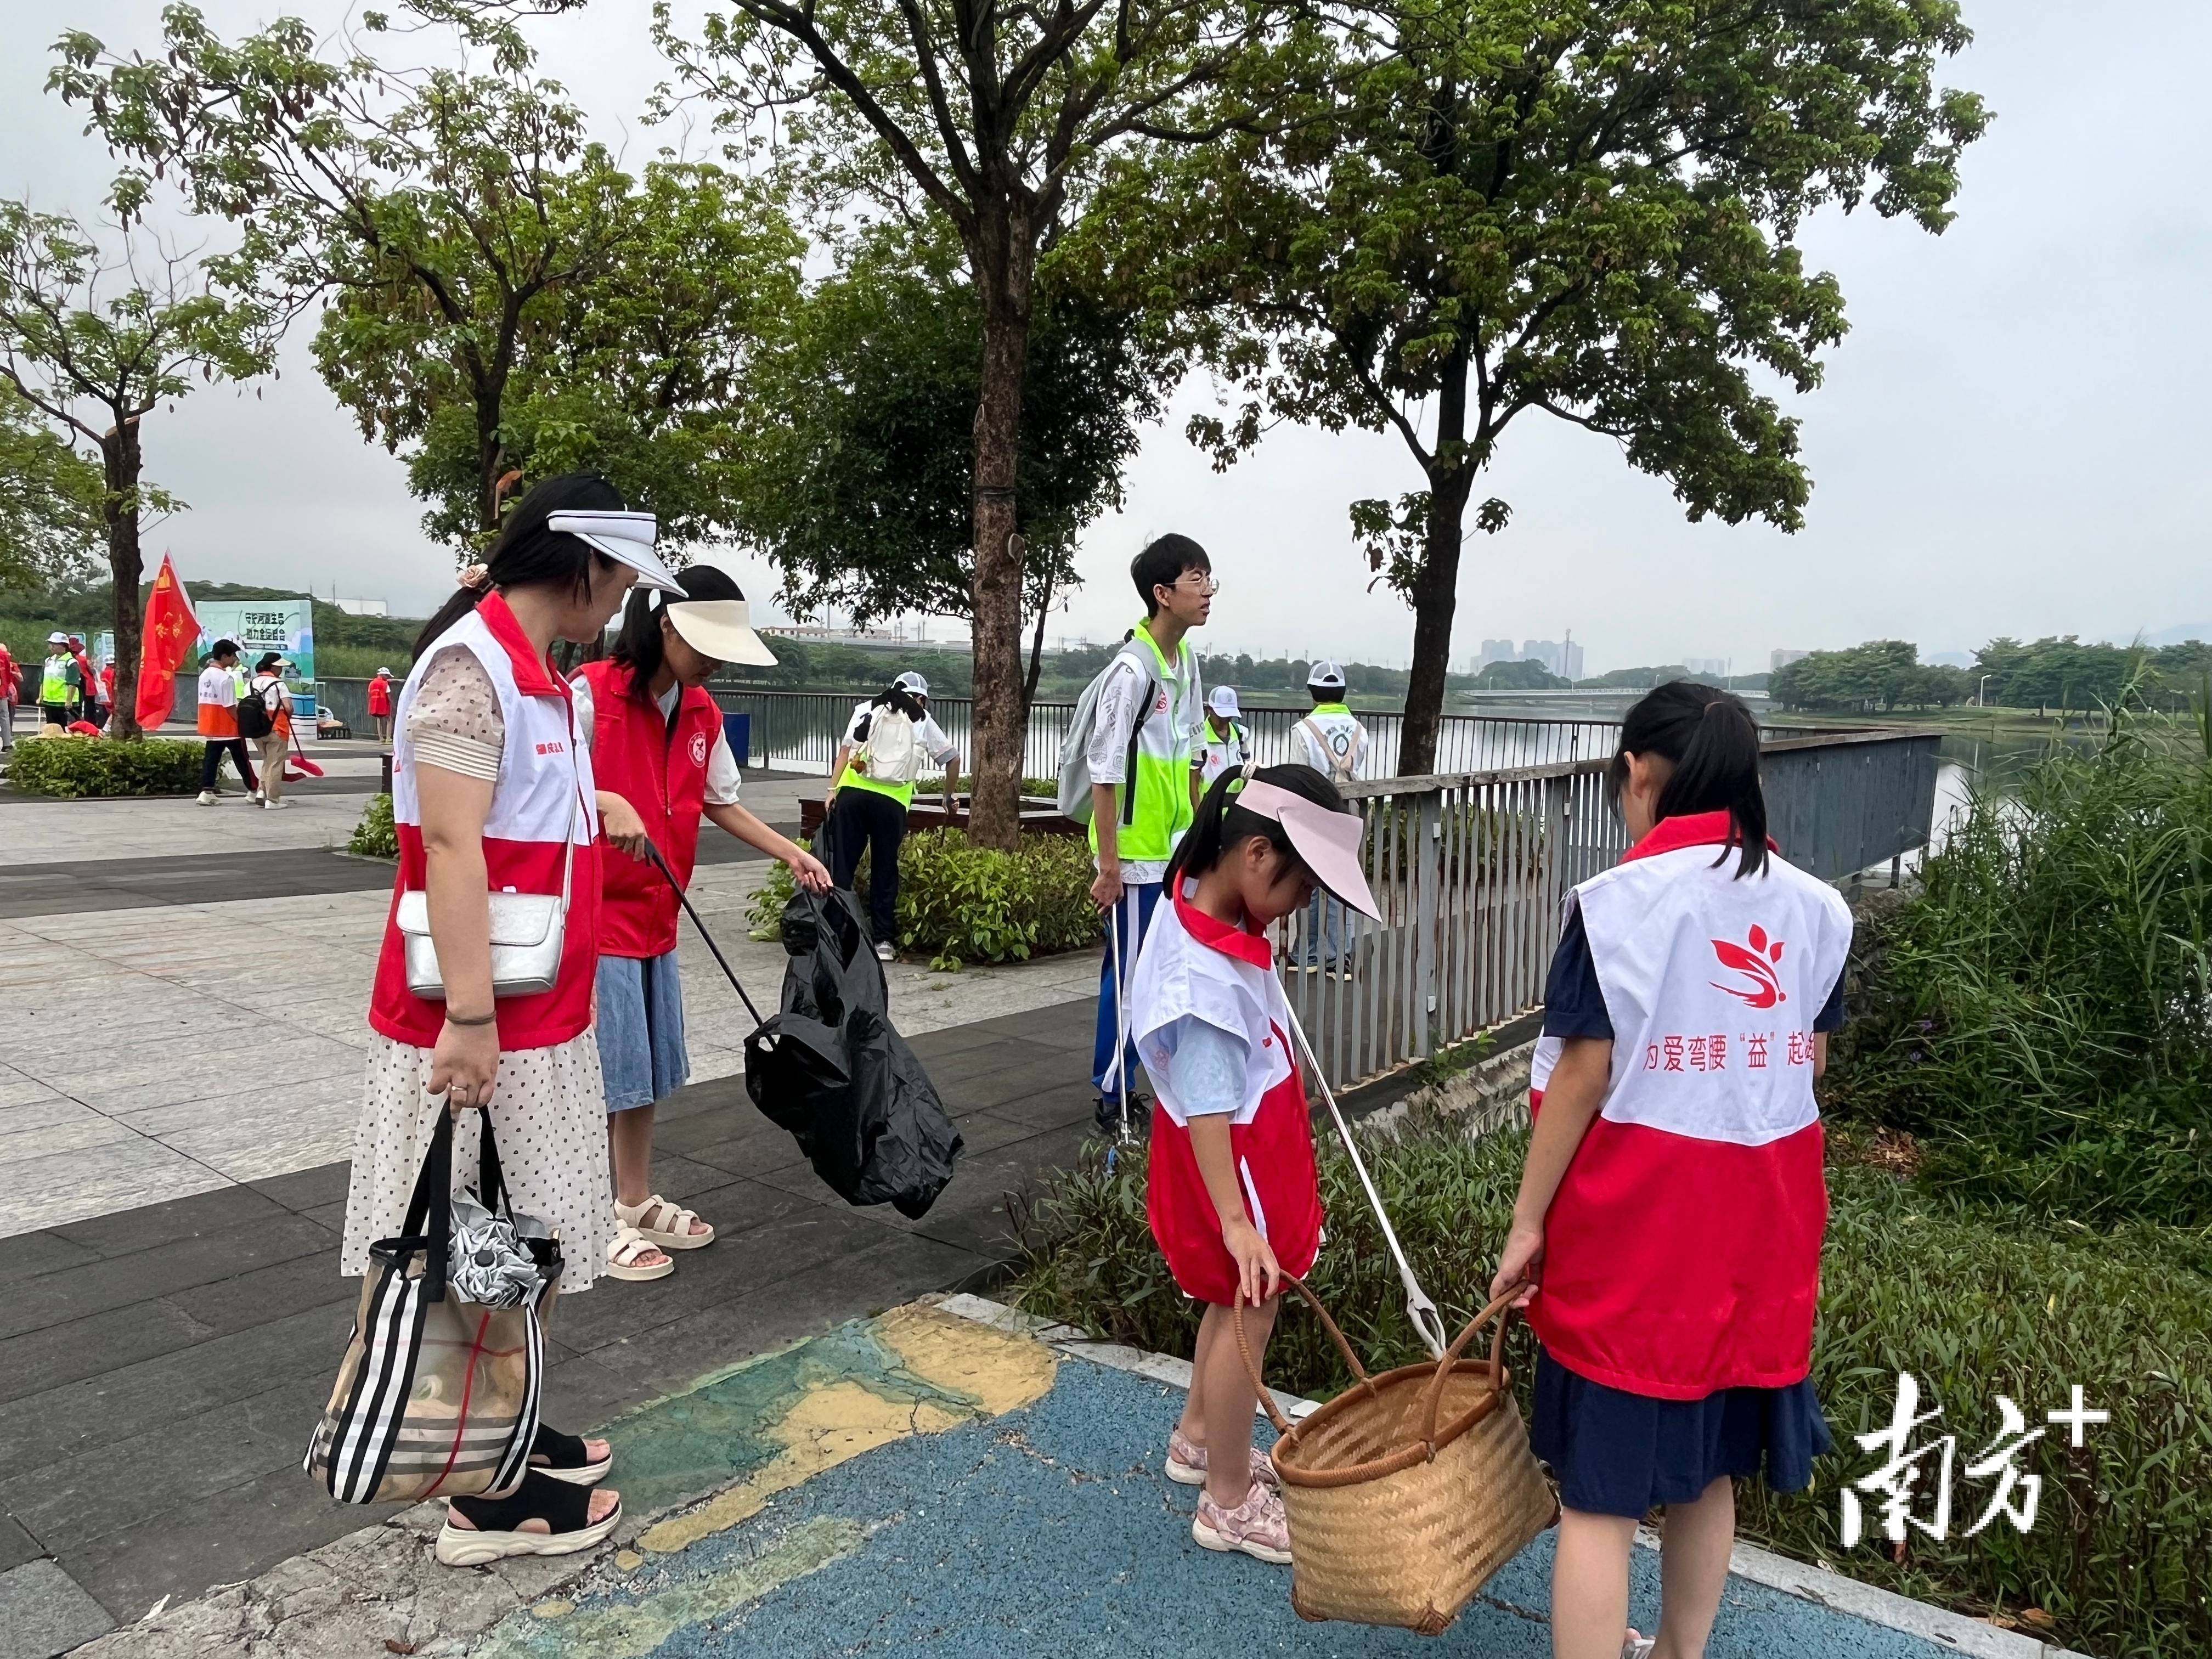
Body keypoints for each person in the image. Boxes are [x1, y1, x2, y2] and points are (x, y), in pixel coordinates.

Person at [342, 471, 681, 1565]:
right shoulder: (469, 671)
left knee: (516, 1244)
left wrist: (607, 808)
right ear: (580, 565)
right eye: (623, 577)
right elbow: (449, 847)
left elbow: (521, 814)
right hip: (483, 1031)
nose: (626, 598)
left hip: (538, 1024)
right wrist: (473, 1021)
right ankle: (485, 1496)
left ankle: (510, 1428)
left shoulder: (540, 675)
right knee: (479, 1247)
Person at [1489, 682, 1853, 1659]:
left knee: (1601, 1499)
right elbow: (1807, 1061)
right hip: (1761, 1235)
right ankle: (1677, 1653)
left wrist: (1527, 1225)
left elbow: (1580, 1074)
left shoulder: (1618, 907)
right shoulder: (1819, 909)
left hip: (1637, 1233)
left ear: (1641, 774)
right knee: (1710, 1469)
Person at [1129, 760, 1380, 1565]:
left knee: (1225, 1298)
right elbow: (1207, 1104)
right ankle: (1228, 1501)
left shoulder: (1200, 900)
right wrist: (1238, 1222)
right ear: (1259, 856)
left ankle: (1201, 1437)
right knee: (1252, 1307)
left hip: (1234, 1147)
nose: (1306, 905)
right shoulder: (1202, 980)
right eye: (1305, 887)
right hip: (1230, 1160)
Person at [574, 566, 831, 1283]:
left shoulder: (701, 713)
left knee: (645, 1071)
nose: (716, 660)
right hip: (594, 916)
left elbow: (720, 801)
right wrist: (599, 800)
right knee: (605, 1072)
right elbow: (536, 780)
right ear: (666, 624)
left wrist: (790, 851)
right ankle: (588, 1214)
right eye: (707, 643)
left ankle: (631, 1200)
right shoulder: (590, 694)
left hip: (658, 916)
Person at [1087, 535, 1211, 1136]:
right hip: (1134, 854)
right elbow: (1104, 772)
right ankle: (1113, 1095)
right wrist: (1109, 865)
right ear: (1163, 594)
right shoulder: (1132, 670)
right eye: (1195, 578)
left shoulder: (1184, 663)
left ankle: (1133, 1084)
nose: (1208, 590)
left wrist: (1199, 832)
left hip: (1170, 849)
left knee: (1155, 970)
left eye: (1210, 578)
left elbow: (1191, 754)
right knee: (1132, 978)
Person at [822, 670, 961, 962]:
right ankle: (883, 941)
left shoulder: (866, 708)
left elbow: (846, 752)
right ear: (921, 698)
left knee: (843, 867)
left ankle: (836, 934)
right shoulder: (922, 719)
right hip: (892, 802)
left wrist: (833, 789)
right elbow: (952, 758)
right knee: (885, 869)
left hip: (852, 796)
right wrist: (948, 796)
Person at [1290, 661, 1370, 975]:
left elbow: (1298, 775)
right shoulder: (1360, 731)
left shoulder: (1303, 730)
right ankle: (1342, 956)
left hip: (1314, 811)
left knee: (1307, 881)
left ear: (1312, 693)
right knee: (1342, 883)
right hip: (1348, 809)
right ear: (1343, 693)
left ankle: (1308, 954)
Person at [194, 640, 261, 803]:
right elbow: (230, 706)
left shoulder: (204, 675)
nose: (235, 659)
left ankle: (206, 791)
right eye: (233, 655)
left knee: (211, 759)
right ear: (224, 656)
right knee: (242, 759)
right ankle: (254, 790)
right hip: (228, 727)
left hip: (210, 725)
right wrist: (242, 723)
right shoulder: (225, 678)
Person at [247, 652, 294, 809]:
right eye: (279, 667)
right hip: (277, 729)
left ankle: (262, 791)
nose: (281, 670)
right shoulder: (279, 685)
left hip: (257, 730)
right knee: (275, 763)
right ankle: (273, 800)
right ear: (273, 667)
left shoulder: (251, 684)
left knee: (267, 761)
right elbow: (288, 707)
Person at [1193, 685, 1249, 791]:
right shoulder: (1199, 738)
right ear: (1210, 711)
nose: (1226, 720)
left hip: (1234, 803)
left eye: (1229, 716)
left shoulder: (1240, 734)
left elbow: (1248, 767)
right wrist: (1198, 808)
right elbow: (1193, 777)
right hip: (1209, 804)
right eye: (1221, 717)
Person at [38, 632, 74, 732]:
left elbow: (72, 682)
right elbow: (43, 679)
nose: (52, 647)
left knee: (62, 728)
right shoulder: (48, 661)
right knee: (50, 727)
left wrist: (69, 700)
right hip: (49, 700)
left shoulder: (70, 661)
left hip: (62, 702)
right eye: (51, 644)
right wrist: (40, 696)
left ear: (64, 646)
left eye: (55, 644)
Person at [369, 666, 396, 744]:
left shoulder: (372, 683)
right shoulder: (385, 684)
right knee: (389, 719)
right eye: (386, 675)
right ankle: (388, 738)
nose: (387, 677)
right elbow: (388, 694)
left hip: (375, 704)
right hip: (384, 703)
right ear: (383, 675)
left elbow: (370, 693)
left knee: (379, 720)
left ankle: (381, 737)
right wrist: (392, 704)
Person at [0, 639, 18, 751]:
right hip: (1, 692)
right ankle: (7, 744)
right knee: (5, 717)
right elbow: (6, 675)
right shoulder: (4, 656)